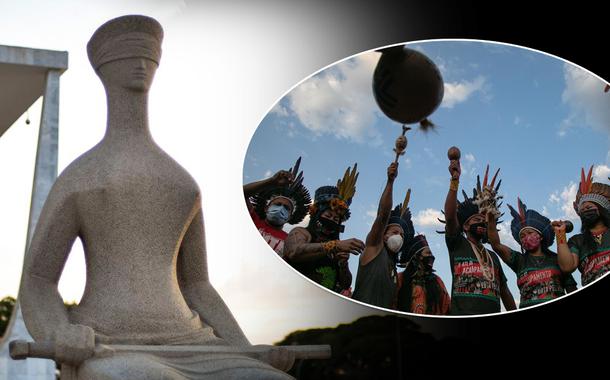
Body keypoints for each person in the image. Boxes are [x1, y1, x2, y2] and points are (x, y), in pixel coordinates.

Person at [19, 15, 294, 379]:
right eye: (129, 56)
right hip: (110, 342)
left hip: (196, 342)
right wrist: (62, 331)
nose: (140, 64)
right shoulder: (83, 177)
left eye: (148, 58)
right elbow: (38, 280)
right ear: (104, 69)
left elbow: (197, 284)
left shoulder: (181, 183)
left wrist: (247, 348)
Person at [442, 158, 516, 315]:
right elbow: (450, 217)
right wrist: (454, 181)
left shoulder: (493, 257)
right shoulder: (458, 244)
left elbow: (504, 291)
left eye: (484, 221)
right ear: (466, 226)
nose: (482, 223)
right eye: (477, 220)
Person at [284, 164, 364, 295]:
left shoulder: (337, 247)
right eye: (328, 216)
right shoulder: (302, 232)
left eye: (335, 219)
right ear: (316, 215)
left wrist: (343, 265)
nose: (331, 220)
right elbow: (294, 251)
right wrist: (334, 245)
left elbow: (345, 284)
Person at [487, 198, 577, 308]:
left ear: (540, 237)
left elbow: (572, 290)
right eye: (522, 236)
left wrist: (561, 234)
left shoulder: (558, 260)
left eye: (530, 233)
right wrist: (491, 218)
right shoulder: (518, 260)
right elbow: (496, 245)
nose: (526, 238)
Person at [352, 162, 409, 309]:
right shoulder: (375, 247)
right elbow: (383, 215)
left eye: (402, 235)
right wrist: (390, 181)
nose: (399, 237)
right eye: (395, 232)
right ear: (383, 235)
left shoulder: (394, 270)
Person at [243, 157, 311, 256]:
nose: (281, 209)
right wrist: (271, 181)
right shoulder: (252, 220)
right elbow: (240, 194)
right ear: (266, 208)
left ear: (290, 217)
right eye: (278, 204)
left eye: (286, 208)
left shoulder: (290, 242)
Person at [556, 166, 610, 286]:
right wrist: (560, 234)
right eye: (582, 209)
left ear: (602, 209)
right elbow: (567, 266)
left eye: (589, 207)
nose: (585, 210)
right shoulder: (577, 241)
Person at [396, 231, 451, 315]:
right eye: (428, 253)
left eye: (431, 253)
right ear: (416, 257)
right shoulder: (400, 279)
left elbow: (446, 307)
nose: (432, 256)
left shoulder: (437, 281)